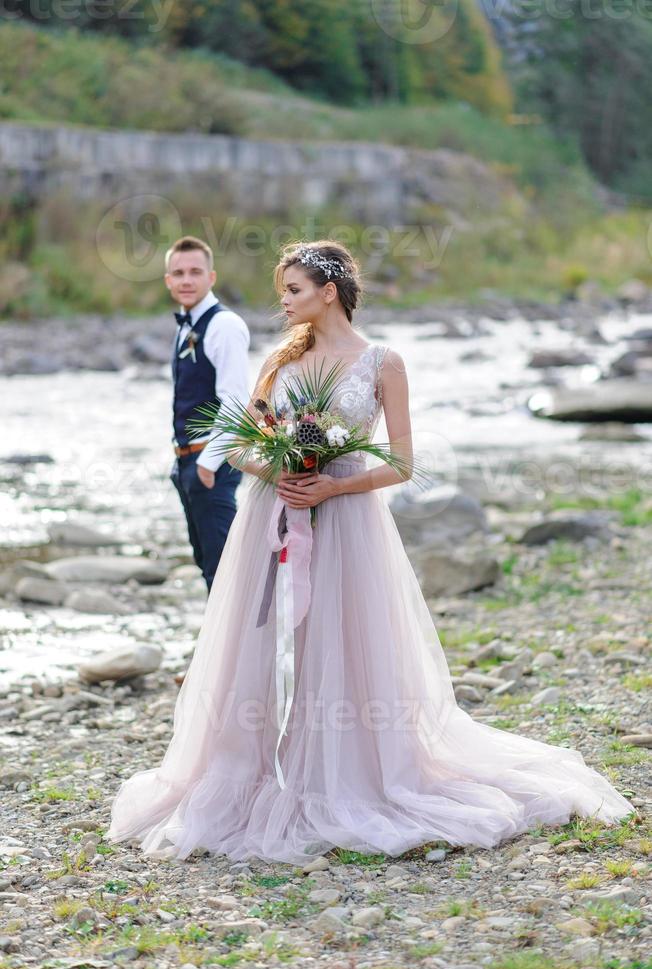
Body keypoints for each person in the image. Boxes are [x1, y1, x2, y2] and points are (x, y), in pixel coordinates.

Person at [107, 240, 635, 867]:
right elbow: (240, 442)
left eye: (294, 289)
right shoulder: (279, 361)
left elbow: (403, 464)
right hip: (273, 516)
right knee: (257, 646)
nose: (284, 301)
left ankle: (345, 772)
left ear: (329, 292)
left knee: (346, 642)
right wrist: (276, 472)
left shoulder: (383, 362)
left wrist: (334, 483)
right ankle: (247, 770)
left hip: (349, 518)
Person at [165, 234, 250, 595]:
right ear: (168, 280)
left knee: (226, 575)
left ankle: (238, 652)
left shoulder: (223, 325)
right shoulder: (186, 326)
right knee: (208, 566)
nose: (186, 280)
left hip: (211, 463)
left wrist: (207, 464)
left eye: (195, 272)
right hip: (186, 461)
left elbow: (236, 400)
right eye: (178, 273)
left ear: (211, 277)